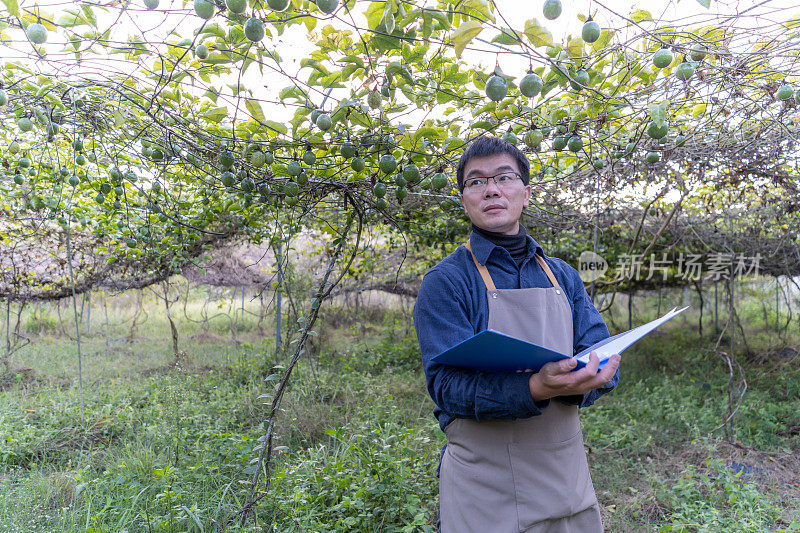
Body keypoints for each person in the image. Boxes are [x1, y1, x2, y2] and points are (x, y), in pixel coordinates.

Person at [413, 136, 621, 532]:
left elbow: (602, 353)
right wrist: (536, 389)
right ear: (464, 200)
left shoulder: (562, 275)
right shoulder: (447, 282)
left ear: (526, 193)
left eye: (503, 177)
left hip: (567, 480)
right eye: (476, 182)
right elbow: (445, 386)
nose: (490, 188)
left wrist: (588, 379)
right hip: (486, 490)